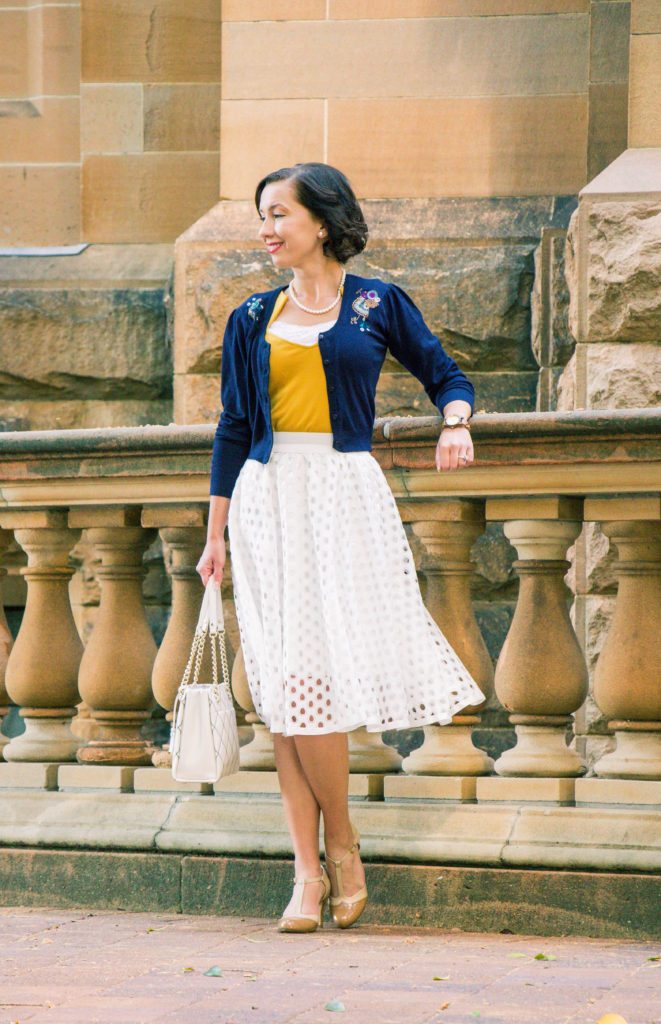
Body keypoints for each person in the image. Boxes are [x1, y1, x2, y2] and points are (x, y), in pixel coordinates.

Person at [196, 162, 485, 934]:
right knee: (285, 686)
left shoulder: (375, 303)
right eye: (262, 215)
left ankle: (343, 849)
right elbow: (232, 427)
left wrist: (455, 422)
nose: (266, 228)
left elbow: (444, 374)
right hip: (267, 501)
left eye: (278, 214)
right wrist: (215, 531)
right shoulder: (251, 316)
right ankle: (306, 871)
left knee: (314, 683)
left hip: (344, 495)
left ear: (321, 222)